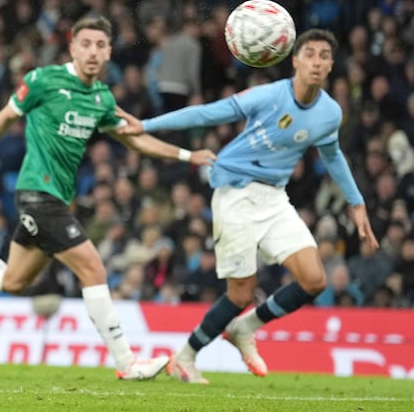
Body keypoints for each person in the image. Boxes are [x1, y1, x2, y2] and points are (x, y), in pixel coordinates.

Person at [0, 15, 210, 380]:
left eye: (100, 45)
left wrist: (188, 156)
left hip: (58, 199)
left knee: (14, 281)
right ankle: (127, 363)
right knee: (93, 267)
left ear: (109, 52)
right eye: (86, 44)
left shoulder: (102, 98)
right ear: (72, 48)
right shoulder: (43, 80)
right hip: (36, 193)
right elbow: (5, 118)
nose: (93, 52)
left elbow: (134, 138)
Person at [115, 28, 378, 383]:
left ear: (331, 66)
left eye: (324, 56)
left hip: (274, 198)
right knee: (240, 293)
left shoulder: (330, 113)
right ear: (295, 60)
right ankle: (186, 356)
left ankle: (245, 329)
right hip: (235, 193)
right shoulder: (269, 95)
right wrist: (146, 124)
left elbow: (333, 156)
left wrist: (357, 203)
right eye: (310, 54)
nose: (317, 62)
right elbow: (208, 114)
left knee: (314, 279)